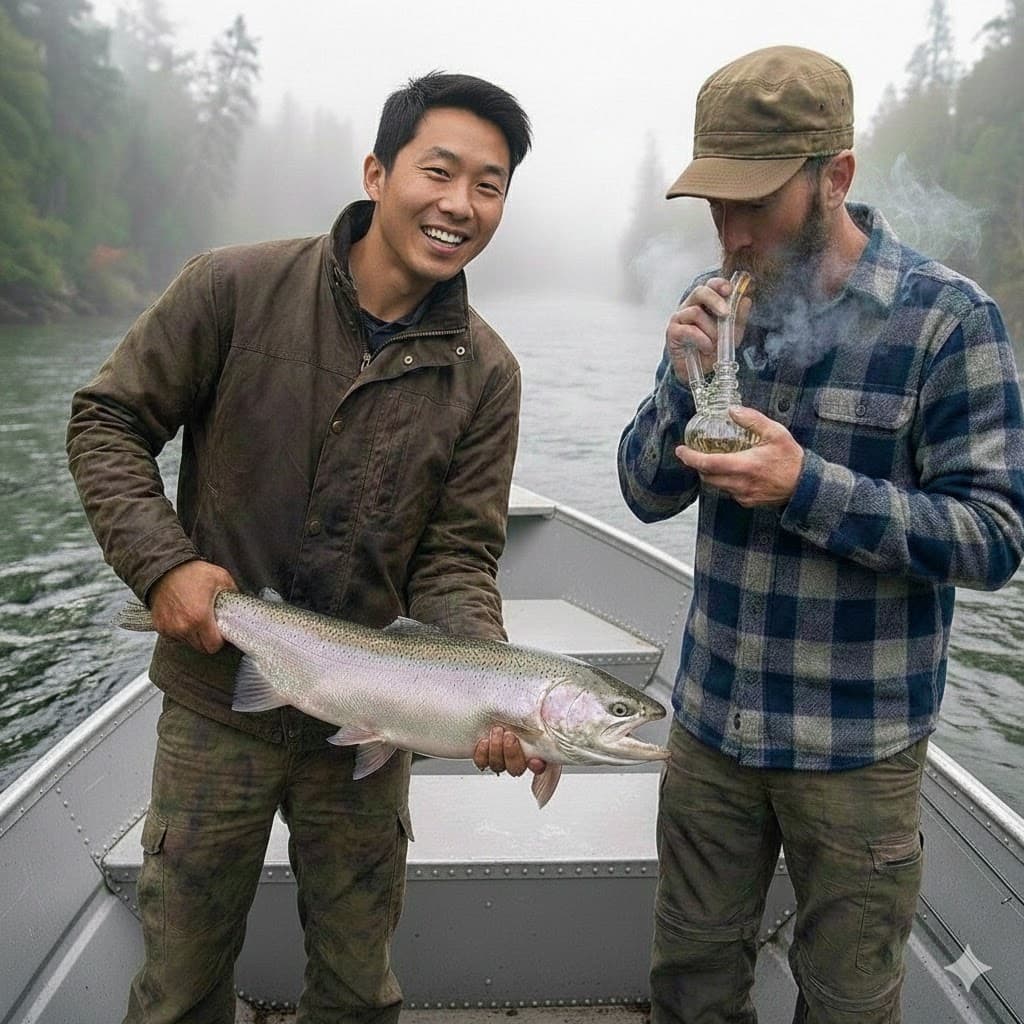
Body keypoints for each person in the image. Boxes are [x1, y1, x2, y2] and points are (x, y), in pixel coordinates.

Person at [67, 71, 538, 1023]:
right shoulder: (232, 287)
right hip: (214, 704)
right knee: (179, 984)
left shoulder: (486, 374)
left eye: (488, 185)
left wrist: (485, 685)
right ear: (376, 171)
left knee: (359, 990)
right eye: (438, 171)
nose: (459, 205)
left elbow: (456, 559)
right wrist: (162, 563)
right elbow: (107, 420)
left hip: (368, 731)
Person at [618, 45, 1024, 1024]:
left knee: (845, 1003)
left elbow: (993, 536)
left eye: (754, 203)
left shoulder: (945, 322)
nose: (730, 233)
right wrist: (683, 381)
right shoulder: (723, 306)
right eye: (715, 206)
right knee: (689, 986)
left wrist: (807, 486)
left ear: (834, 176)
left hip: (859, 752)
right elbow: (640, 493)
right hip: (713, 728)